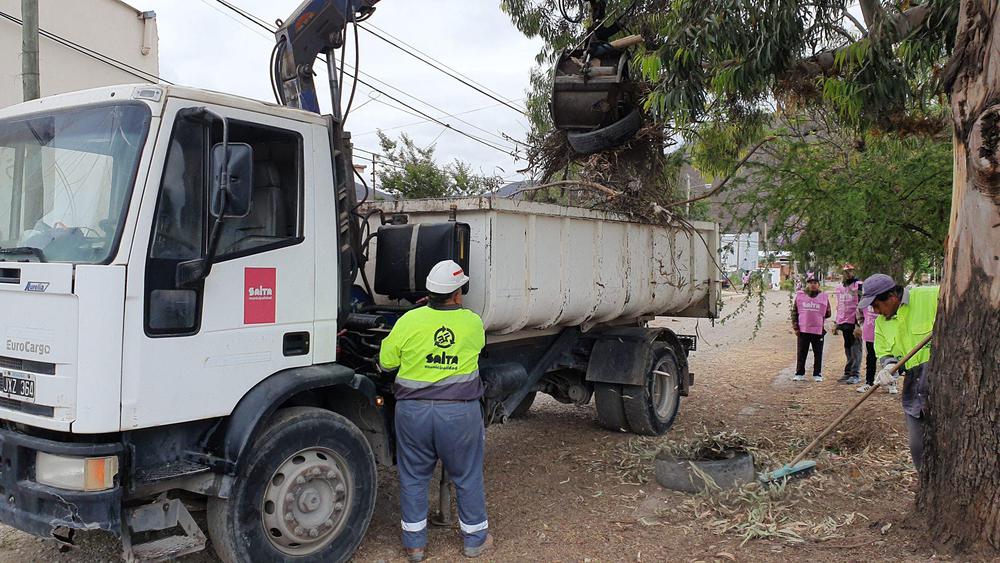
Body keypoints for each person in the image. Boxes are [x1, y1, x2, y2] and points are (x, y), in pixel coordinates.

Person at [379, 260, 492, 561]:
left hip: (412, 413)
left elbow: (386, 362)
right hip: (458, 414)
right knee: (466, 476)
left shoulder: (408, 322)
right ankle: (474, 541)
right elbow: (479, 352)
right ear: (456, 294)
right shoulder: (472, 323)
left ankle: (415, 546)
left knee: (413, 477)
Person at [858, 273, 938, 471]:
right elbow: (886, 353)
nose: (875, 311)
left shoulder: (929, 296)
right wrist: (888, 367)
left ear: (892, 297)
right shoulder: (881, 324)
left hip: (942, 383)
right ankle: (926, 488)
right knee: (917, 446)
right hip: (914, 389)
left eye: (876, 305)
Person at [790, 275, 831, 382]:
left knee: (818, 353)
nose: (813, 285)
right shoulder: (800, 296)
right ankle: (799, 373)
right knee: (802, 352)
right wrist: (796, 327)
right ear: (807, 284)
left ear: (818, 284)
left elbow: (828, 313)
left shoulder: (823, 297)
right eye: (810, 282)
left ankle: (817, 373)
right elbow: (794, 312)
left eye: (815, 283)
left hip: (818, 330)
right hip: (803, 330)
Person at [854, 304, 898, 393]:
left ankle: (891, 384)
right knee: (870, 359)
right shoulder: (865, 302)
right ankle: (869, 383)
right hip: (870, 334)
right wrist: (862, 325)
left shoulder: (884, 301)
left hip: (885, 335)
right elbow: (860, 314)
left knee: (889, 360)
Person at [833, 264, 863, 384]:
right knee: (848, 347)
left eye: (850, 271)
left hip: (854, 322)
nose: (848, 274)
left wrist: (859, 323)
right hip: (843, 322)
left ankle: (855, 374)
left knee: (856, 348)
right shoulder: (840, 287)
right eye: (845, 271)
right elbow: (839, 305)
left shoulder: (859, 285)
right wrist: (837, 323)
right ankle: (848, 372)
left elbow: (862, 304)